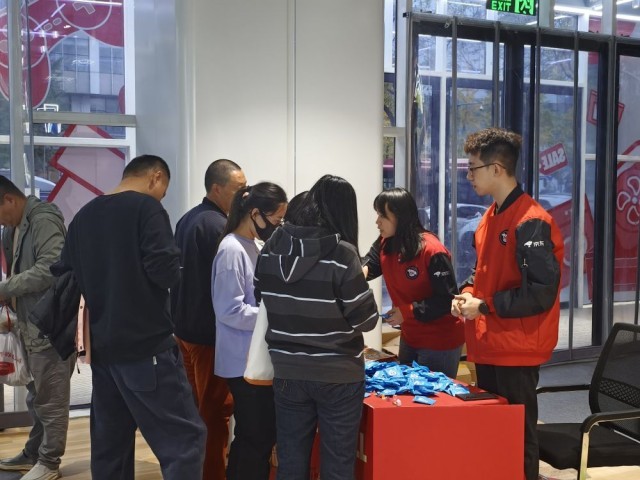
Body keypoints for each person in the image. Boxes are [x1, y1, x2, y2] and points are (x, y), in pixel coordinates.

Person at [59, 155, 206, 480]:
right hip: (146, 347)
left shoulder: (84, 215)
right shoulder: (145, 208)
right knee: (185, 441)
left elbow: (65, 271)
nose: (161, 198)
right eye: (163, 191)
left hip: (103, 351)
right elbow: (165, 272)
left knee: (111, 447)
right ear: (156, 177)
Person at [450, 128, 564, 480]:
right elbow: (483, 271)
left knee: (517, 439)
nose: (469, 176)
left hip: (516, 347)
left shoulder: (531, 221)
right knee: (494, 435)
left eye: (473, 168)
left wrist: (484, 306)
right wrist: (468, 291)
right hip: (489, 343)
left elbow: (541, 293)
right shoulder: (490, 217)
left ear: (496, 169)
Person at [254, 175, 378, 480]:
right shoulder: (342, 254)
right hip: (338, 374)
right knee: (337, 463)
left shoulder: (270, 249)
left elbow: (261, 297)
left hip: (288, 371)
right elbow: (366, 320)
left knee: (290, 460)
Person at [171, 159, 246, 480]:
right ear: (217, 188)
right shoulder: (218, 227)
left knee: (195, 411)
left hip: (185, 331)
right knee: (215, 412)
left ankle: (195, 471)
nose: (245, 195)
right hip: (208, 336)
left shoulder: (188, 219)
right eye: (239, 189)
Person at [212, 182, 287, 480]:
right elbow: (228, 310)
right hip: (241, 362)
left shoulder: (253, 246)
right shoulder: (231, 250)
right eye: (275, 220)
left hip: (253, 358)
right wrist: (271, 314)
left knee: (256, 436)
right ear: (255, 213)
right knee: (254, 438)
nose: (277, 227)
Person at [0, 176, 74, 480]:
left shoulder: (42, 220)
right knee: (37, 396)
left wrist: (5, 289)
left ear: (9, 199)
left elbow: (50, 268)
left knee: (51, 399)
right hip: (30, 325)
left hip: (50, 327)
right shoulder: (12, 228)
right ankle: (34, 453)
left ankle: (49, 462)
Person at [363, 188, 464, 378]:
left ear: (400, 217)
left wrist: (407, 312)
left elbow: (447, 300)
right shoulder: (386, 241)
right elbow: (372, 261)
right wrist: (361, 270)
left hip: (439, 341)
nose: (377, 222)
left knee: (432, 394)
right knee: (406, 392)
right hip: (410, 336)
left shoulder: (432, 250)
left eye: (382, 216)